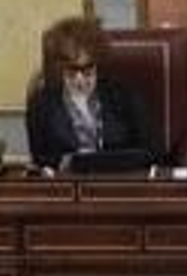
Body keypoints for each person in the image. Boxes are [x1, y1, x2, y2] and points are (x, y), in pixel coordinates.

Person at [25, 16, 155, 170]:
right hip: (69, 186)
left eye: (87, 70)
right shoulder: (41, 105)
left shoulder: (126, 97)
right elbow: (40, 158)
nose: (80, 80)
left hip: (120, 181)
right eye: (71, 71)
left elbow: (150, 150)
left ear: (98, 64)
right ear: (60, 68)